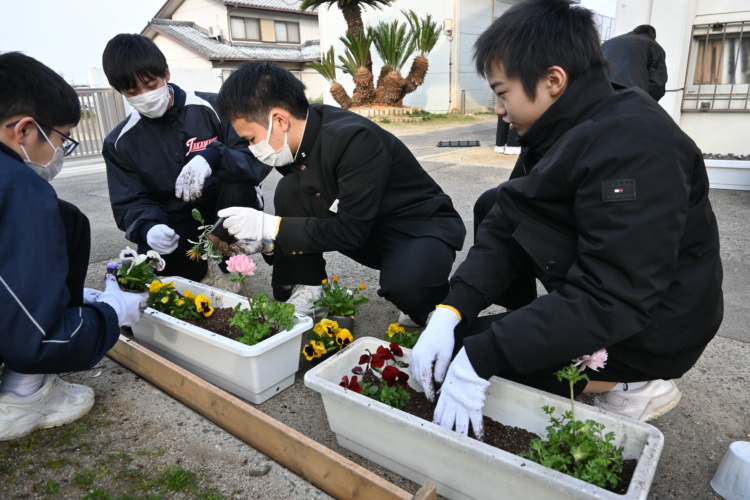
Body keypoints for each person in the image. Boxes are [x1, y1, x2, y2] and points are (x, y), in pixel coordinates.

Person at [409, 0, 723, 439]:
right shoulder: (560, 126)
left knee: (480, 361)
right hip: (616, 294)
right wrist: (451, 309)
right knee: (462, 332)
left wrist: (488, 354)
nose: (499, 110)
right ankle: (542, 333)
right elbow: (508, 219)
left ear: (553, 80)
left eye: (502, 93)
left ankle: (637, 381)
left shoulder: (635, 148)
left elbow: (614, 294)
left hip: (654, 326)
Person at [211, 62, 466, 326]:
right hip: (366, 222)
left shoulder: (354, 139)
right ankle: (308, 289)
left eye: (251, 139)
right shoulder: (300, 135)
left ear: (279, 119)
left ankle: (431, 294)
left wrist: (270, 227)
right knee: (290, 189)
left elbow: (350, 231)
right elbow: (313, 202)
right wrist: (271, 241)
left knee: (410, 291)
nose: (252, 148)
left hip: (416, 226)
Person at [0, 52, 148, 441]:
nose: (61, 151)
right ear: (24, 131)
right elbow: (38, 340)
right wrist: (111, 312)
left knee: (67, 219)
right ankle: (24, 395)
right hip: (29, 345)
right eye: (62, 138)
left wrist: (66, 298)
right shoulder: (19, 189)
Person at [101, 34, 271, 283]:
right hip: (174, 221)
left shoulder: (214, 107)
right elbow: (130, 200)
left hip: (223, 209)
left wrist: (214, 157)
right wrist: (149, 228)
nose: (145, 95)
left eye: (151, 85)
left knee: (238, 184)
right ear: (120, 92)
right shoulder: (120, 142)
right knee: (170, 284)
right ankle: (193, 265)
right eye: (133, 91)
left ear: (166, 74)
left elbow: (255, 159)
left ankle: (229, 266)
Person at [602, 24, 668, 101]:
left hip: (600, 88)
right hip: (629, 92)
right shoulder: (654, 46)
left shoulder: (609, 42)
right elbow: (657, 82)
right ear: (652, 36)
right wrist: (648, 102)